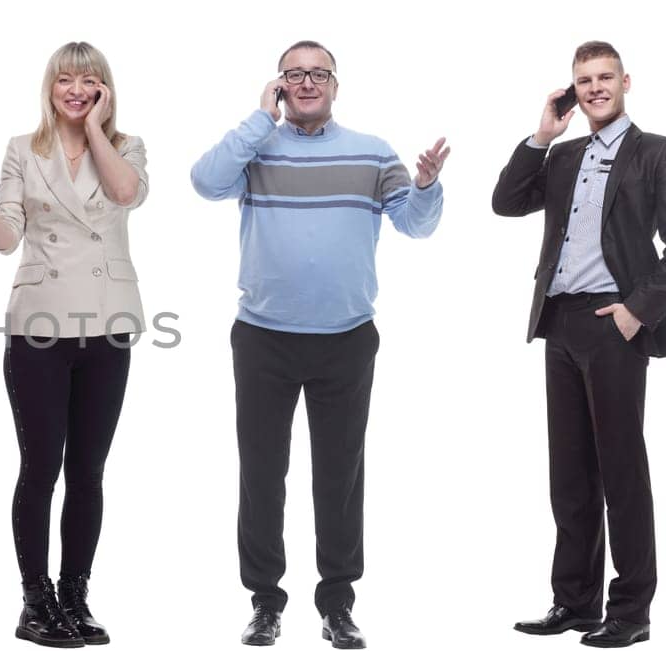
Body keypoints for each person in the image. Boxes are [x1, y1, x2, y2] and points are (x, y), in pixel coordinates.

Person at [190, 39, 449, 650]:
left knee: (339, 476)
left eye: (319, 74)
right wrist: (259, 119)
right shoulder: (256, 147)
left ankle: (337, 604)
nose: (307, 82)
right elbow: (204, 183)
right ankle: (265, 603)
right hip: (263, 338)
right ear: (280, 85)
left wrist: (427, 186)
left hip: (345, 340)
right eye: (294, 75)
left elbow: (416, 224)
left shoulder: (371, 151)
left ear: (336, 85)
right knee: (262, 473)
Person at [0, 40, 147, 649]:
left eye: (88, 81)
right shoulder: (22, 150)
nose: (75, 90)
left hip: (107, 324)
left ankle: (75, 596)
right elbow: (7, 238)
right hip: (40, 328)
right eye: (65, 81)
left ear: (104, 89)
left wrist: (99, 129)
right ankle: (36, 603)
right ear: (49, 88)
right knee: (41, 468)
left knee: (89, 472)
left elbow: (126, 194)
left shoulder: (128, 146)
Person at [493, 40, 666, 649]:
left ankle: (632, 610)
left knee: (621, 471)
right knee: (571, 475)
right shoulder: (562, 158)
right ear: (572, 90)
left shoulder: (658, 152)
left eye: (604, 77)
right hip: (558, 324)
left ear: (626, 82)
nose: (594, 88)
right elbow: (506, 202)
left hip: (615, 324)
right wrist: (541, 135)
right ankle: (575, 602)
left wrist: (637, 311)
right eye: (583, 80)